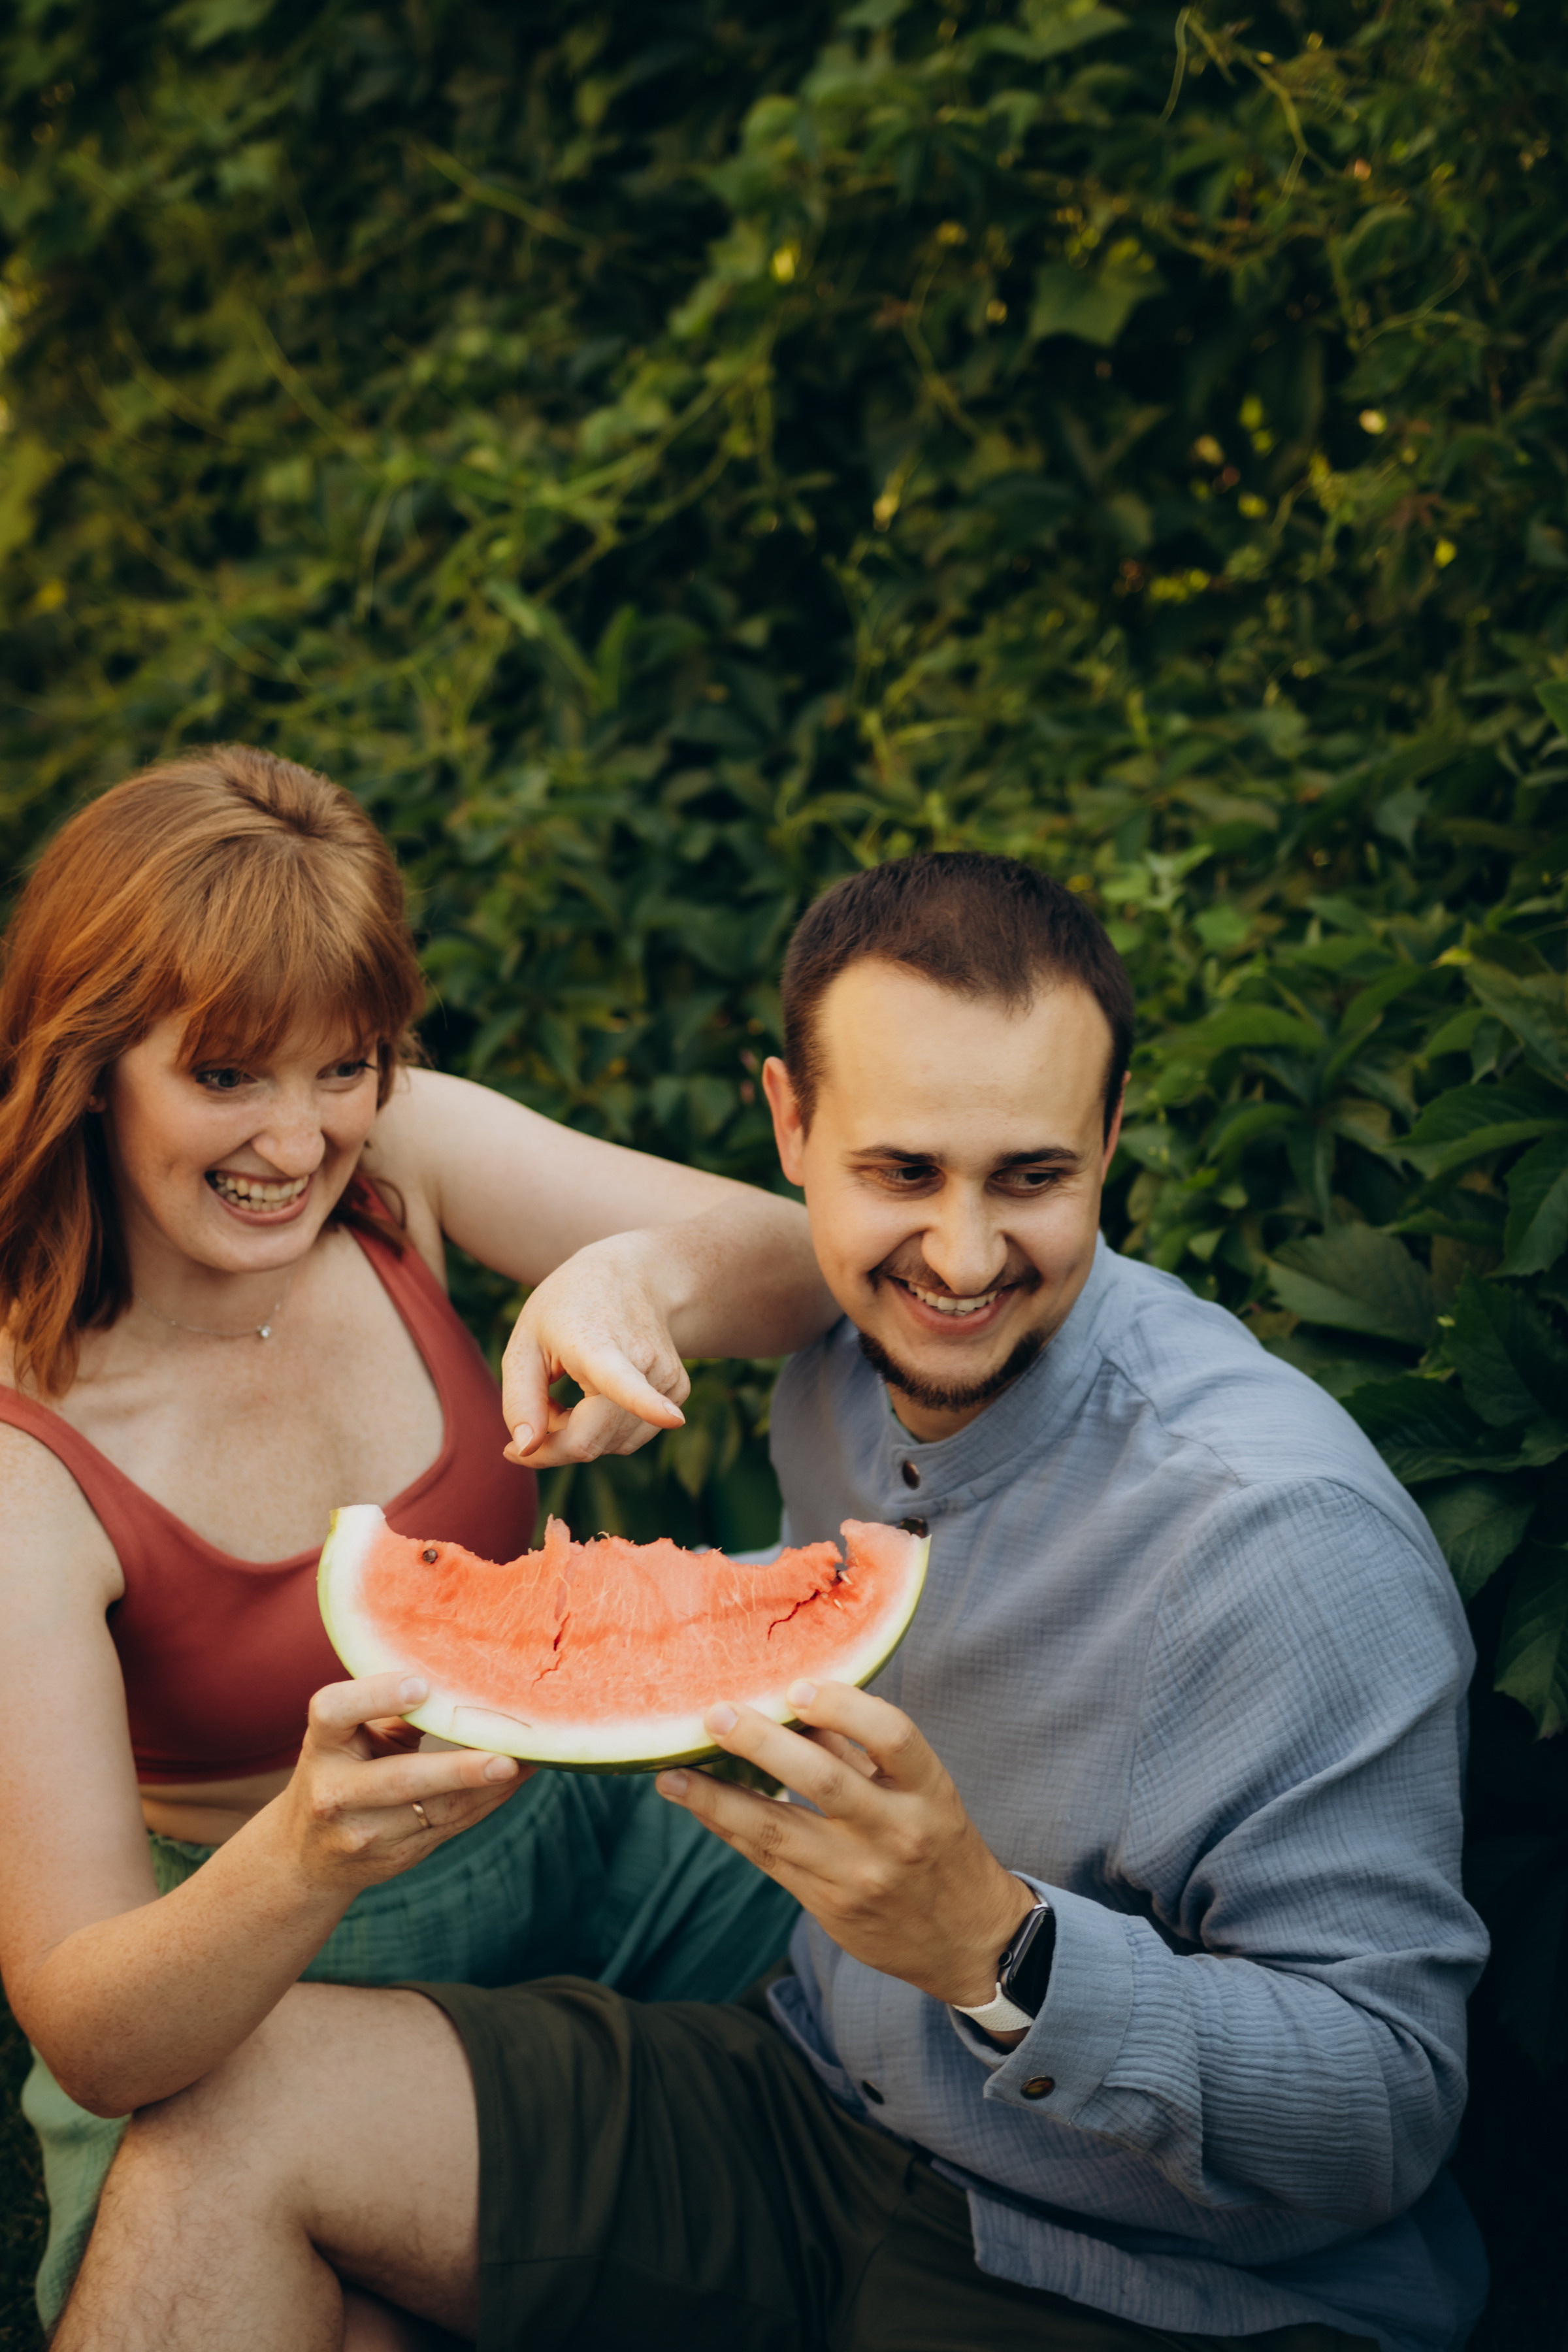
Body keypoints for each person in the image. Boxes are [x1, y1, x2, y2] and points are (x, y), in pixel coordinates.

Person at [48, 853, 1489, 2352]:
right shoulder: (844, 1357)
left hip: (1140, 2272)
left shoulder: (1278, 1541)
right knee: (223, 2129)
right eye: (902, 1173)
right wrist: (653, 1283)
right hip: (809, 2105)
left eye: (1034, 1177)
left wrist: (1002, 1956)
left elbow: (1390, 2107)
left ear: (1111, 1137)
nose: (963, 1256)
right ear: (792, 1129)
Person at [0, 745, 833, 2347]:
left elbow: (811, 1265)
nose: (298, 1141)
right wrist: (307, 1849)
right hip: (269, 1979)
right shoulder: (29, 1457)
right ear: (95, 1062)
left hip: (603, 1844)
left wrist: (639, 1284)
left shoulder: (402, 1163)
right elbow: (93, 2023)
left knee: (928, 2057)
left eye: (343, 1066)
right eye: (226, 1075)